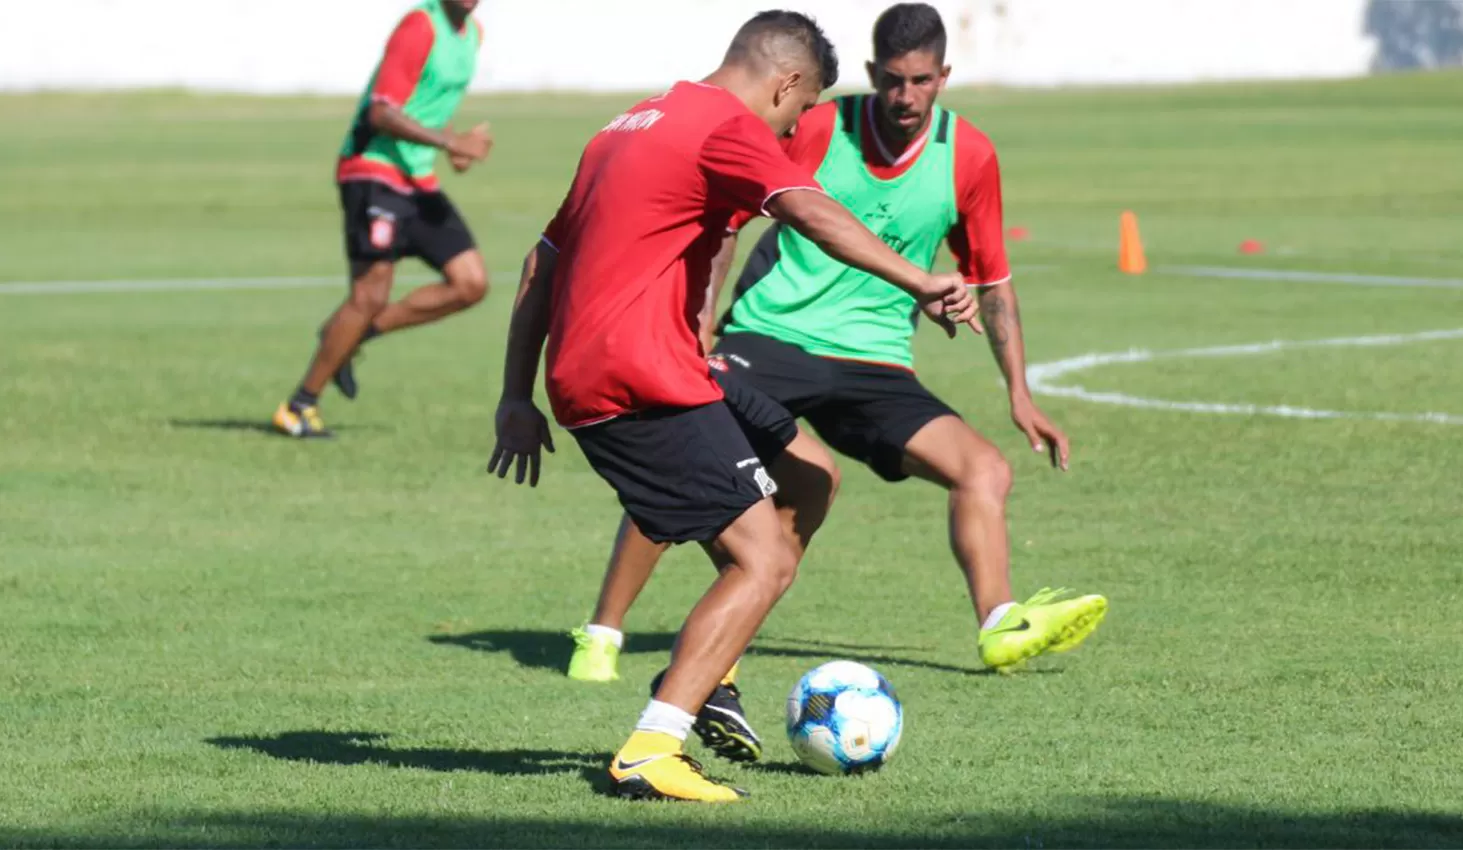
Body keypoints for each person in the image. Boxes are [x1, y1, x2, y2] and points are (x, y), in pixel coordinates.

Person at [488, 10, 979, 802]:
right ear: (785, 82)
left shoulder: (627, 125)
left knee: (812, 477)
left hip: (668, 366)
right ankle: (652, 747)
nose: (791, 129)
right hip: (634, 380)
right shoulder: (725, 124)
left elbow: (540, 261)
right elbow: (809, 211)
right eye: (799, 109)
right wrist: (920, 280)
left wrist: (516, 393)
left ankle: (713, 666)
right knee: (766, 558)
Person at [566, 2, 1107, 712]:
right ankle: (604, 629)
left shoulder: (969, 155)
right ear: (870, 73)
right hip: (772, 336)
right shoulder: (817, 124)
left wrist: (1019, 392)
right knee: (684, 454)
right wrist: (697, 325)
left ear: (944, 75)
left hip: (875, 362)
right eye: (891, 80)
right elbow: (722, 217)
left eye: (920, 81)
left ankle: (999, 624)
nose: (904, 97)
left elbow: (992, 278)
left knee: (983, 469)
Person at [273, 0, 495, 438]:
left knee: (470, 283)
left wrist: (457, 147)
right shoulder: (419, 26)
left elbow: (431, 104)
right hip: (372, 170)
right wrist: (450, 142)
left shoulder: (473, 36)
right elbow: (382, 112)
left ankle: (349, 337)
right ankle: (298, 407)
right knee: (370, 293)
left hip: (417, 177)